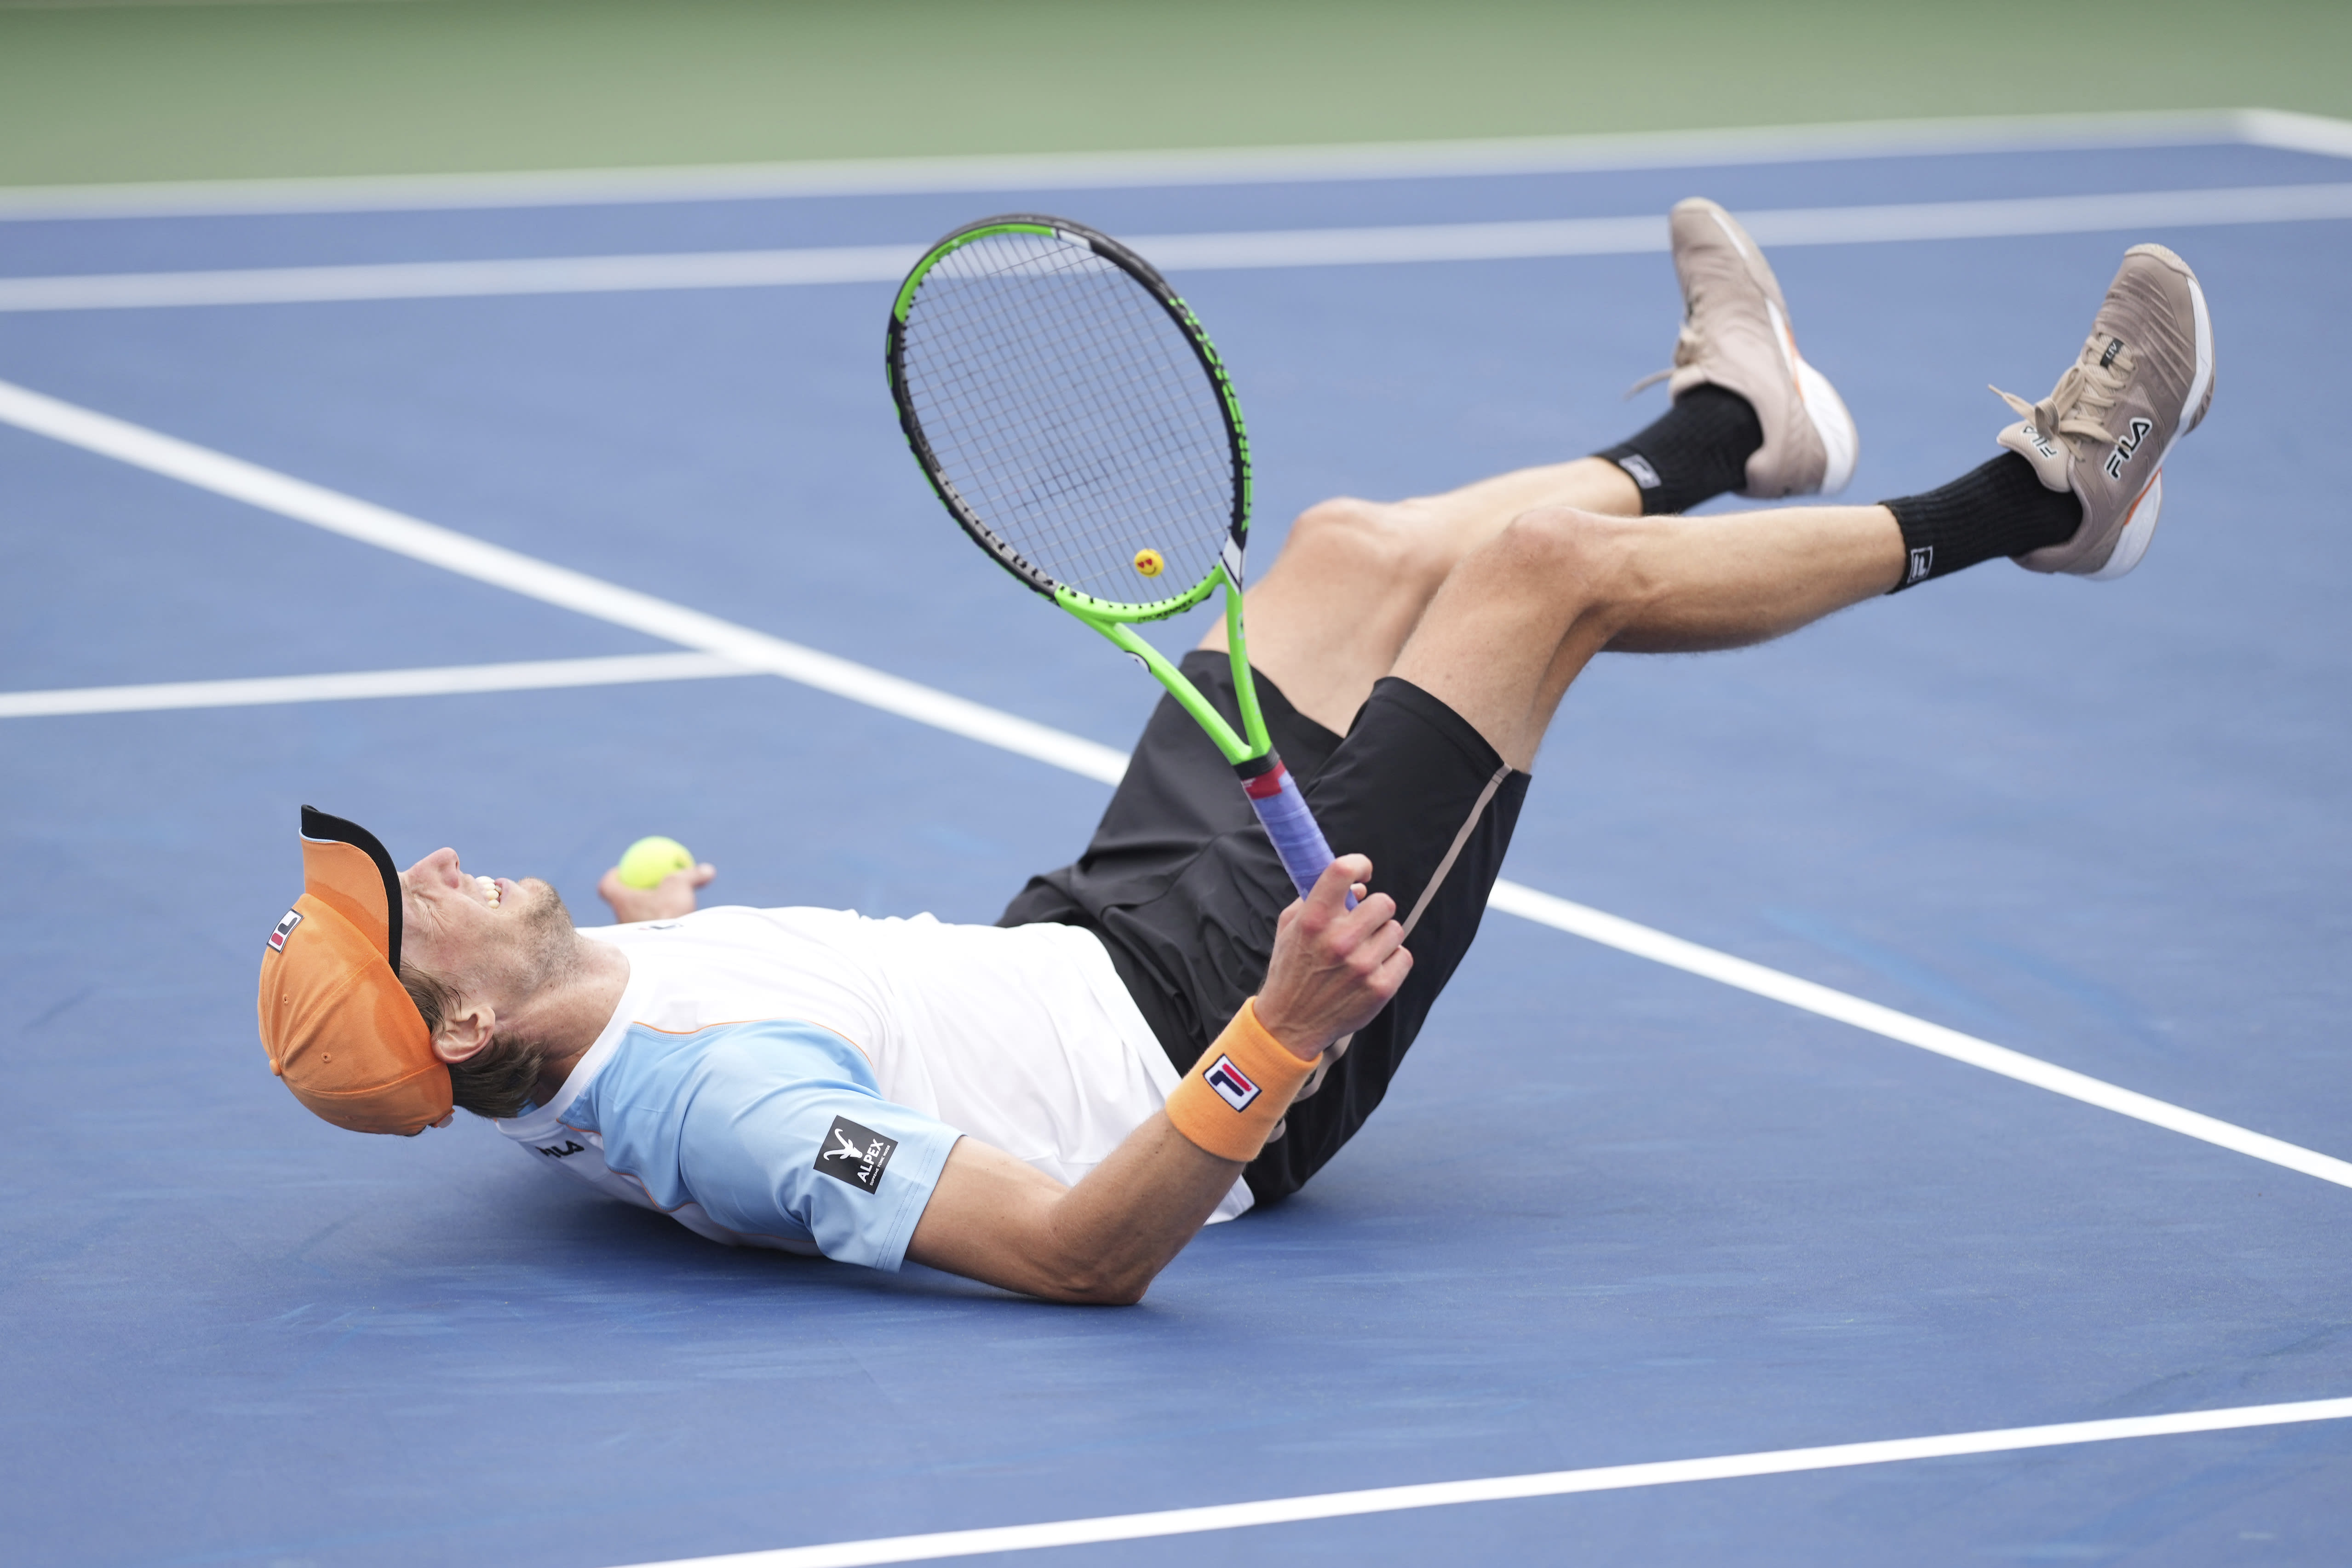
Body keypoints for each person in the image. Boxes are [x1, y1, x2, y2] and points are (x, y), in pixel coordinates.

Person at [257, 200, 2213, 1304]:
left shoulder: (579, 1032)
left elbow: (574, 1078)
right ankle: (2046, 499)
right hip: (1209, 1021)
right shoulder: (713, 1108)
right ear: (445, 1032)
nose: (418, 867)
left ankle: (1737, 431)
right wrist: (1277, 1034)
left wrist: (641, 921)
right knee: (1543, 583)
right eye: (398, 919)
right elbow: (1060, 1249)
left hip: (1091, 928)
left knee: (1348, 551)